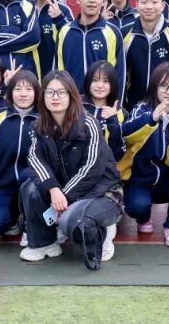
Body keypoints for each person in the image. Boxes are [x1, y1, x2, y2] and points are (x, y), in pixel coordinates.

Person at [20, 71, 123, 270]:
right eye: (50, 92)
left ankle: (103, 232)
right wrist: (53, 189)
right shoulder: (38, 126)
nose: (55, 97)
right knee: (31, 188)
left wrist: (63, 195)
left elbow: (92, 168)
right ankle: (44, 243)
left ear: (72, 95)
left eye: (61, 92)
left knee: (72, 223)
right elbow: (35, 159)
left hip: (102, 193)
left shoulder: (89, 124)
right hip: (66, 191)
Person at [119, 63, 169, 247]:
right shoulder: (141, 108)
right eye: (163, 86)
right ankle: (143, 217)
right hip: (142, 177)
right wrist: (151, 119)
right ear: (154, 87)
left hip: (167, 181)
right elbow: (126, 134)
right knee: (137, 207)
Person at [0, 70, 41, 238]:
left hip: (32, 185)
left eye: (29, 89)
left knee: (28, 176)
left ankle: (31, 223)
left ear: (37, 92)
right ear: (10, 92)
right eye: (18, 89)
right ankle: (14, 218)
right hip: (1, 185)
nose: (23, 94)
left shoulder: (43, 119)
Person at [56, 0, 125, 100]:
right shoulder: (64, 31)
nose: (92, 0)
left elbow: (119, 73)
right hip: (71, 103)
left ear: (104, 1)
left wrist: (116, 105)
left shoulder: (112, 32)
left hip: (102, 104)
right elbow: (58, 70)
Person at [122, 0, 169, 107]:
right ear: (137, 5)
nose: (149, 7)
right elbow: (120, 72)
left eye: (154, 2)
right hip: (133, 105)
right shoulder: (124, 33)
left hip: (167, 105)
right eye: (144, 2)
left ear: (162, 5)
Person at [30, 0, 73, 76]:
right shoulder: (26, 8)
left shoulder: (63, 10)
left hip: (53, 76)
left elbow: (71, 41)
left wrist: (59, 18)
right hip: (29, 77)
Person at [81, 61, 127, 162]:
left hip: (108, 168)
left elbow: (119, 153)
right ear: (88, 82)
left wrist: (113, 121)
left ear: (113, 84)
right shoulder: (76, 106)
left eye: (106, 81)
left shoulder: (121, 113)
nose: (100, 85)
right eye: (95, 80)